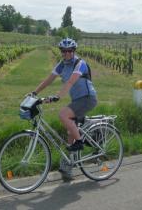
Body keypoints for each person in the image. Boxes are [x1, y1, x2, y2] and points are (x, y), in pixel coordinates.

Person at [30, 37, 97, 178]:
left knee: (63, 115)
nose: (66, 53)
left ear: (74, 51)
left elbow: (71, 82)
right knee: (70, 133)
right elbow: (48, 80)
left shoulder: (80, 64)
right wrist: (34, 93)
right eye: (64, 51)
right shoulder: (61, 65)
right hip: (77, 100)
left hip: (87, 98)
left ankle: (80, 142)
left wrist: (57, 96)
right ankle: (68, 168)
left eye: (69, 51)